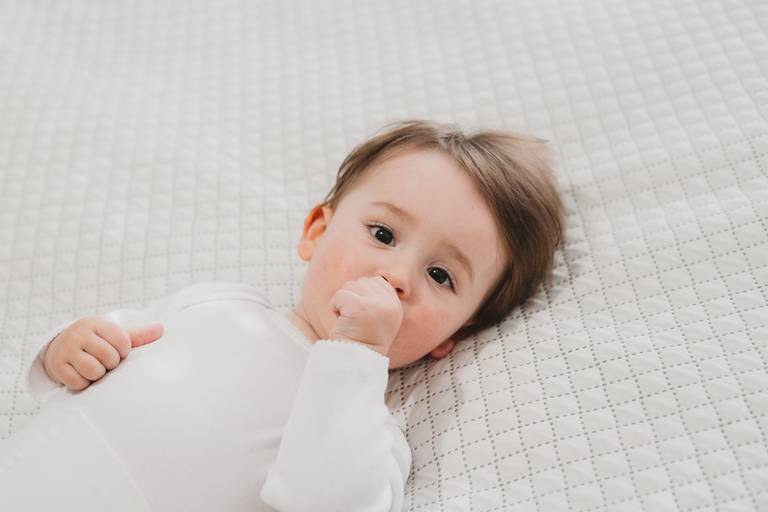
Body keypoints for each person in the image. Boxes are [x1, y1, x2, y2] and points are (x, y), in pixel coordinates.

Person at [0, 119, 564, 511]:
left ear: (455, 334)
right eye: (384, 234)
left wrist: (356, 357)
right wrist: (64, 349)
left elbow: (329, 502)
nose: (396, 276)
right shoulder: (218, 302)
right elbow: (88, 358)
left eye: (441, 276)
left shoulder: (369, 431)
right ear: (316, 232)